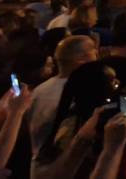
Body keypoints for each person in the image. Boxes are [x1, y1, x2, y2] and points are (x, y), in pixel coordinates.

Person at [28, 35, 98, 174]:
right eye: (93, 51)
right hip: (65, 168)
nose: (97, 55)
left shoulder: (40, 89)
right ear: (81, 59)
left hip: (38, 166)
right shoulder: (79, 91)